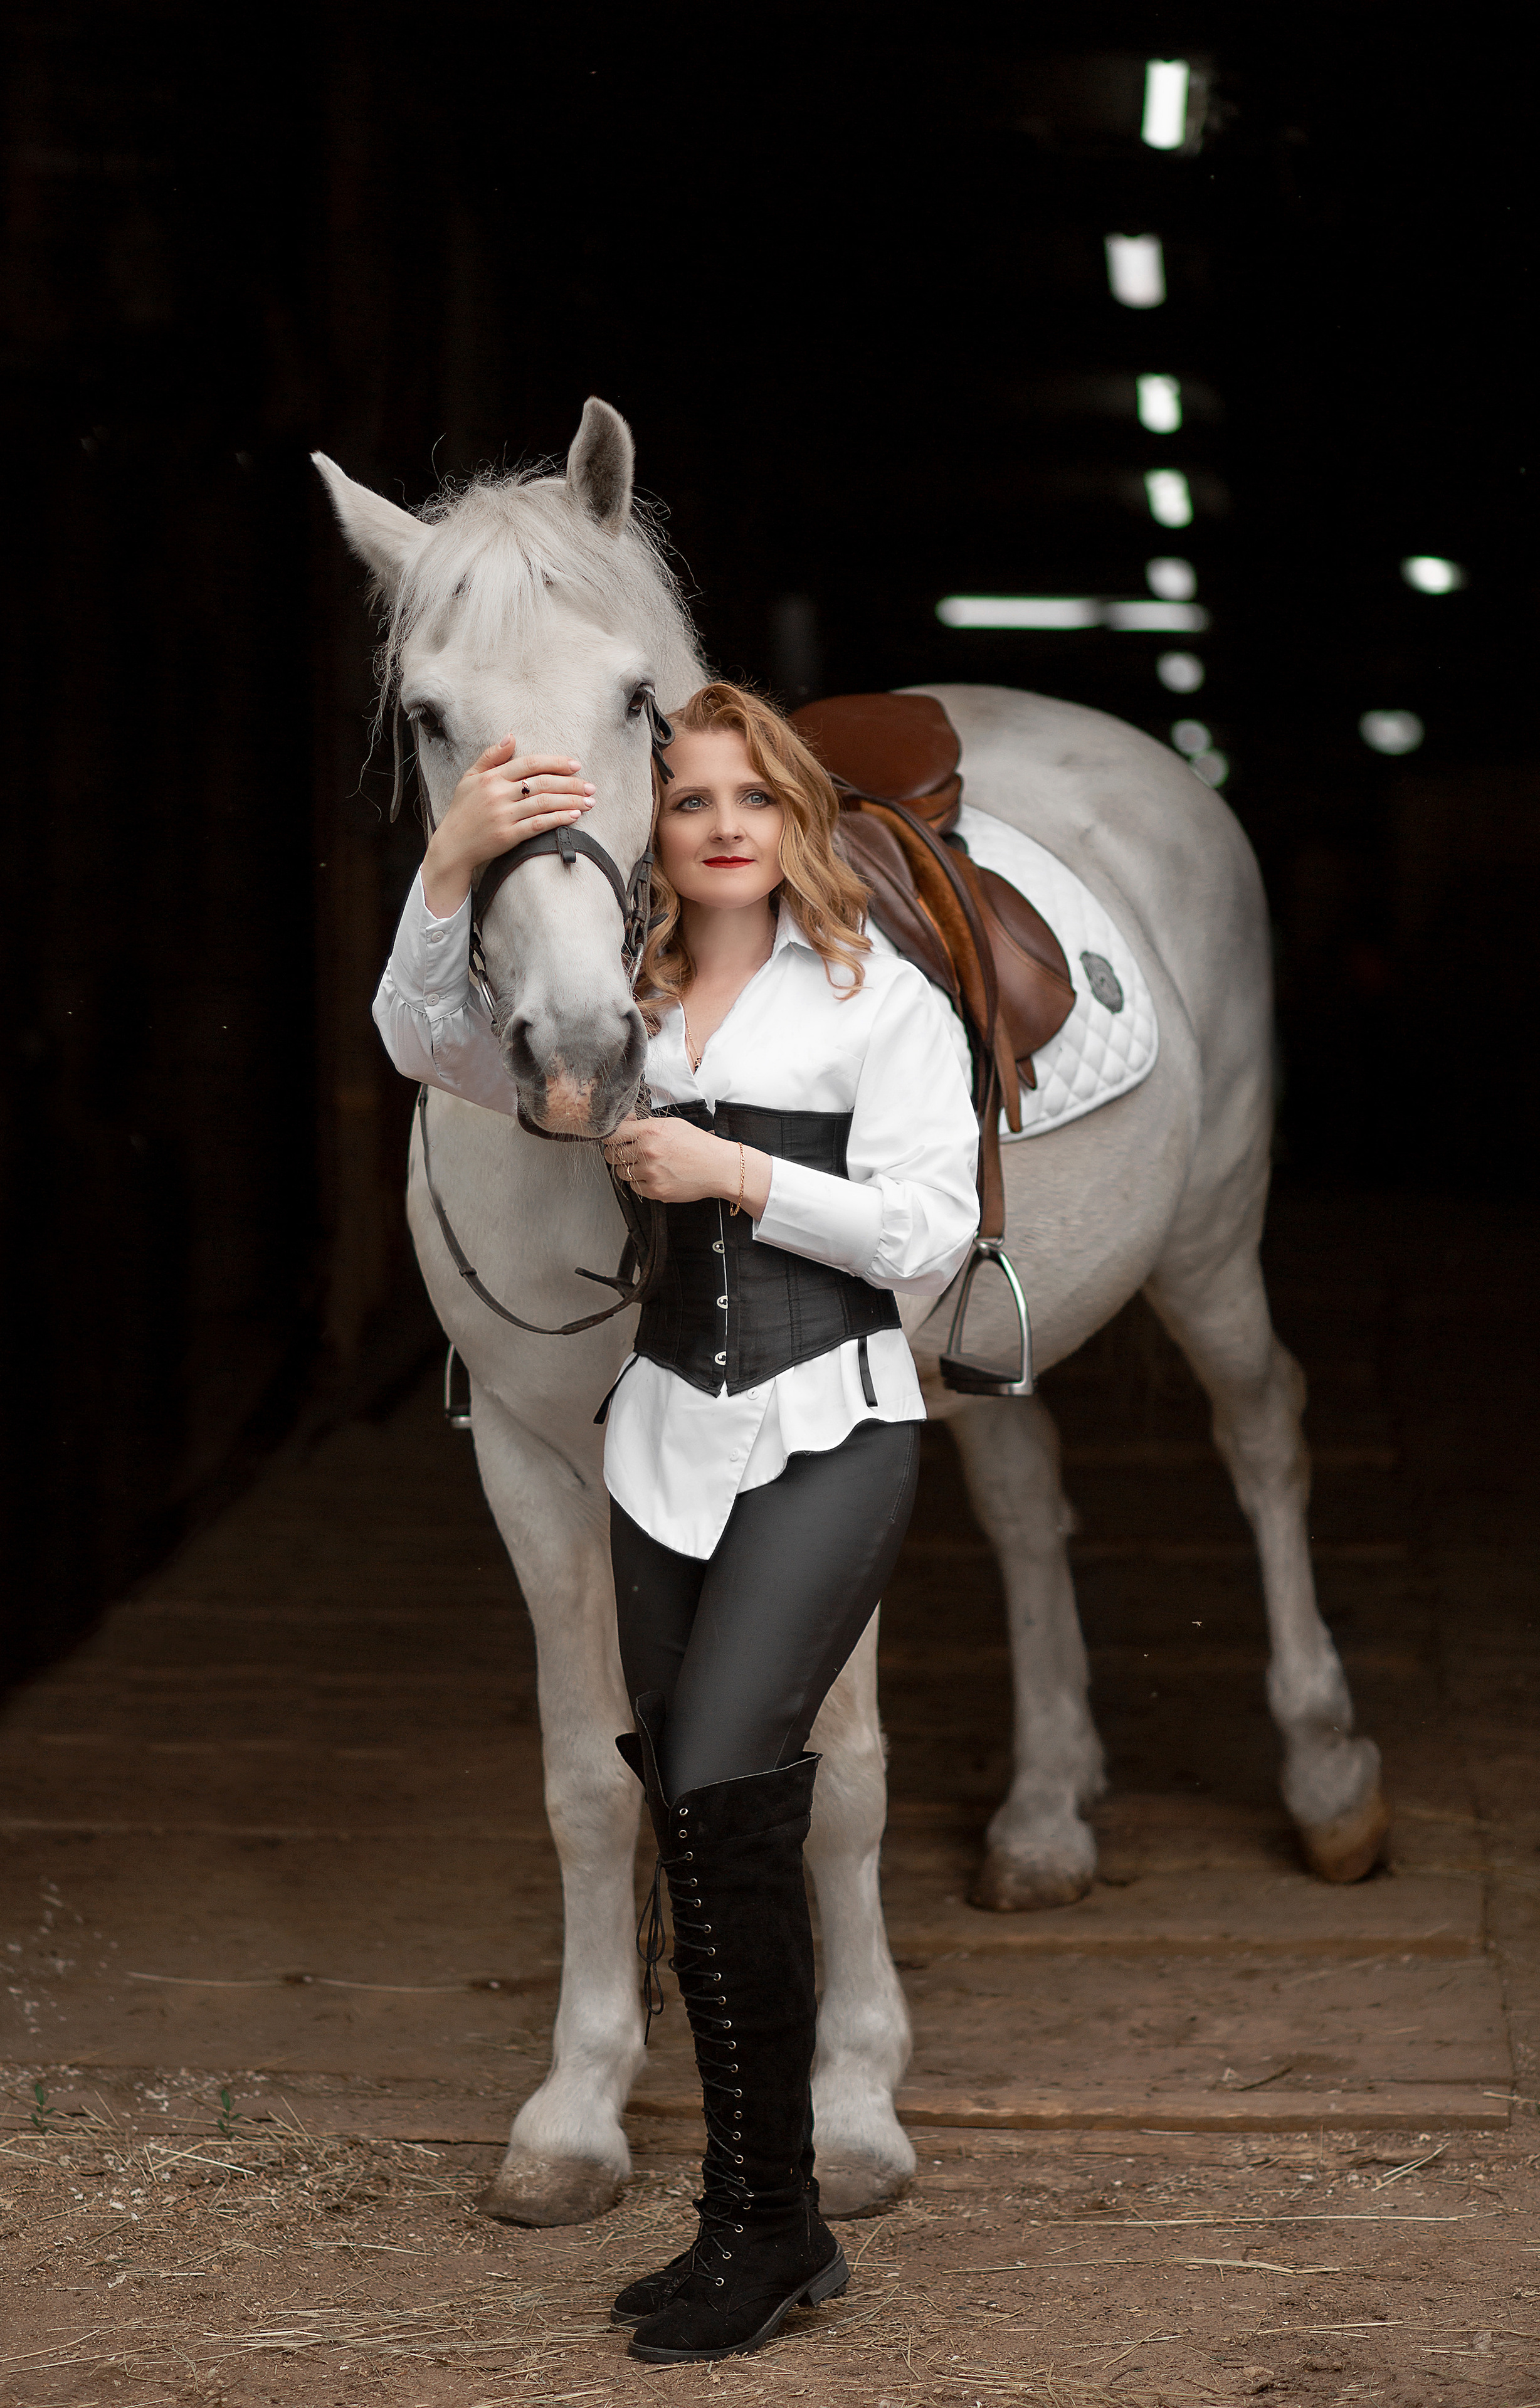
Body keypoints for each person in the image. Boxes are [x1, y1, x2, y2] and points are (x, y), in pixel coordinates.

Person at [372, 682, 979, 2365]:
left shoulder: (876, 1001)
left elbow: (933, 1230)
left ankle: (772, 2222)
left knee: (723, 1788)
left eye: (752, 801)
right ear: (655, 823)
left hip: (829, 1426)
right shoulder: (616, 996)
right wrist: (450, 864)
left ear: (799, 820)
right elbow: (422, 1041)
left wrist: (741, 1179)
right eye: (691, 801)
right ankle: (749, 2221)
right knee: (689, 1805)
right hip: (660, 1442)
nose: (721, 828)